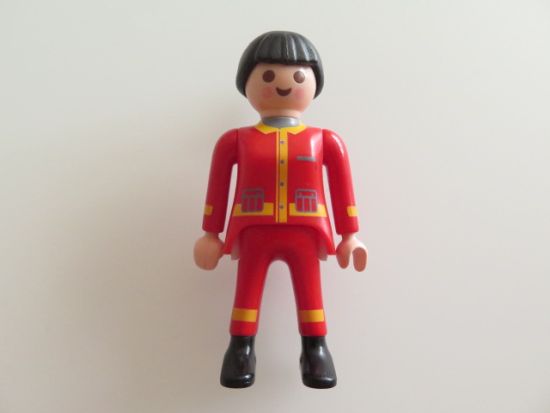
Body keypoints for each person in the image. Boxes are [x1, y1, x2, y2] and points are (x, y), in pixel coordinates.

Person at [194, 31, 368, 389]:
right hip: (253, 228)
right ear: (247, 83)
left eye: (298, 75)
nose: (283, 84)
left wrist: (350, 235)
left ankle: (315, 348)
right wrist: (210, 232)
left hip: (306, 229)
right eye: (269, 75)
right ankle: (241, 347)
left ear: (314, 83)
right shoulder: (235, 140)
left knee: (310, 290)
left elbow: (342, 190)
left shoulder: (325, 140)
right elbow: (218, 187)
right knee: (247, 288)